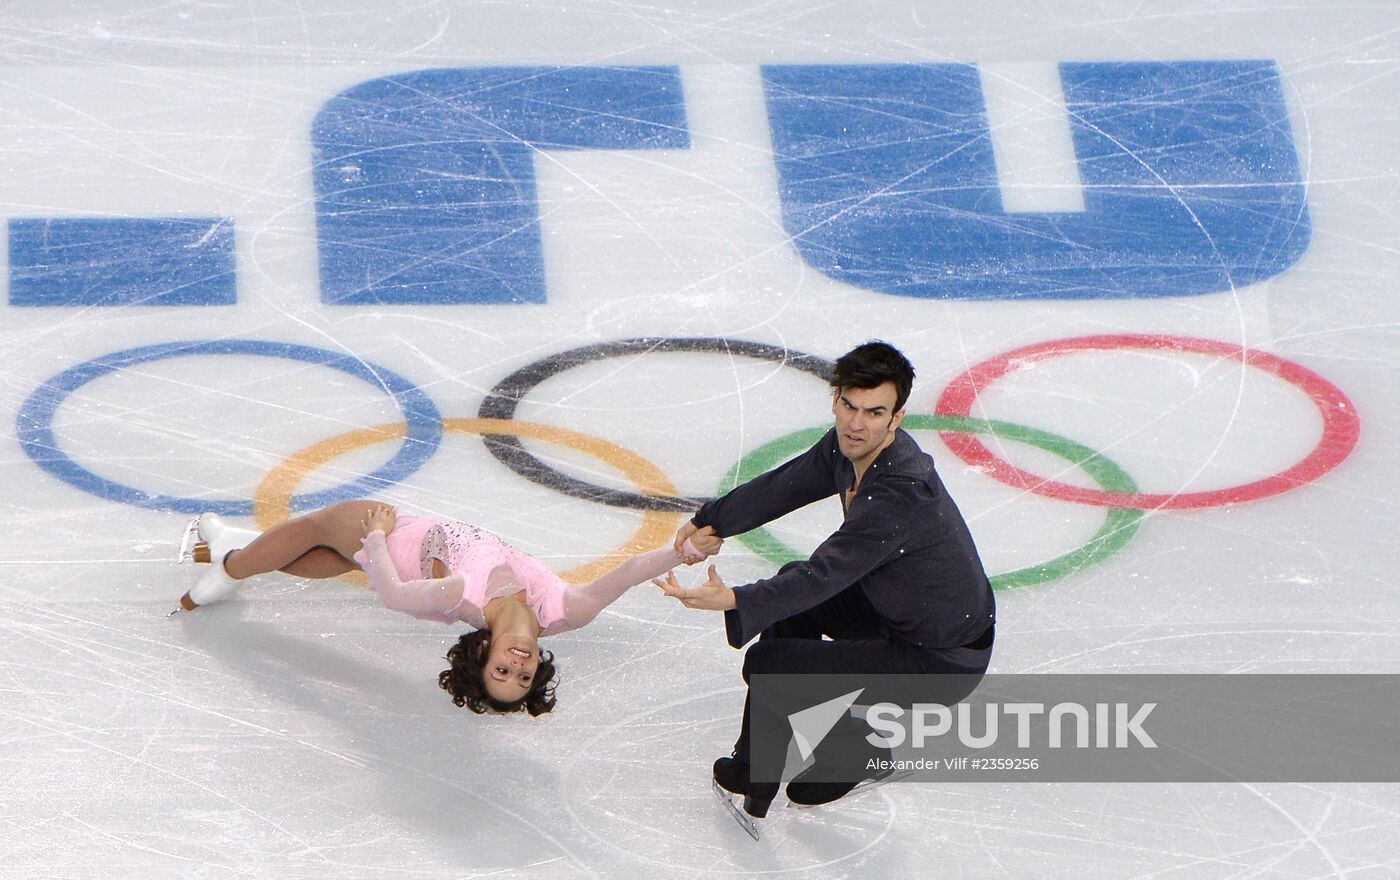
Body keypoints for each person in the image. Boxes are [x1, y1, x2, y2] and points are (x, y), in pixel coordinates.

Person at [654, 341, 995, 817]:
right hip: (899, 613)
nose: (857, 424)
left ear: (896, 418)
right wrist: (712, 520)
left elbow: (825, 574)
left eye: (875, 412)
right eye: (849, 407)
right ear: (835, 399)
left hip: (940, 659)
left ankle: (827, 755)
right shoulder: (845, 447)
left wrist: (734, 598)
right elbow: (785, 484)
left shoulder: (899, 493)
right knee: (791, 598)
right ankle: (805, 758)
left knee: (771, 663)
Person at [176, 501, 720, 716]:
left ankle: (227, 567)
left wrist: (381, 540)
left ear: (483, 654)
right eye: (523, 677)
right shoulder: (564, 611)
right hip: (400, 554)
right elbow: (624, 575)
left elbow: (390, 592)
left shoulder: (458, 595)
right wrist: (680, 551)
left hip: (403, 546)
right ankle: (236, 547)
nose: (518, 665)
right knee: (334, 558)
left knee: (324, 530)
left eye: (502, 672)